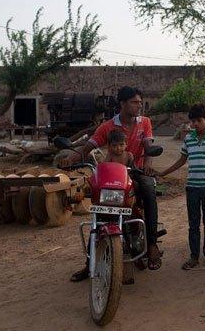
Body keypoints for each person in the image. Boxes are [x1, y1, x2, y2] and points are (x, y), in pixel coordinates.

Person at [65, 86, 161, 282]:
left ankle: (151, 245)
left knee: (150, 191)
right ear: (122, 104)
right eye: (135, 102)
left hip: (135, 171)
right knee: (99, 211)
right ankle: (89, 263)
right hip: (112, 176)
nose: (139, 106)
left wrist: (148, 165)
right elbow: (90, 145)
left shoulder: (145, 123)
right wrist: (72, 157)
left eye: (140, 102)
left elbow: (148, 146)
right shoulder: (108, 126)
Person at [158, 104, 205, 270]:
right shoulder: (188, 139)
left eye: (199, 120)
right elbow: (181, 161)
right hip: (192, 189)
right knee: (193, 224)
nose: (195, 124)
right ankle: (194, 257)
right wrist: (163, 173)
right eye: (193, 121)